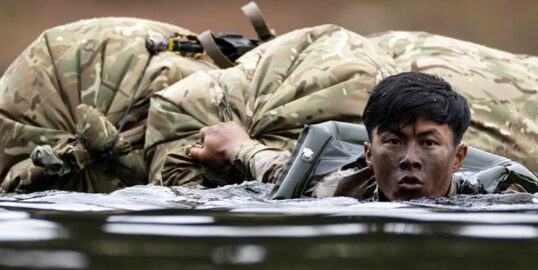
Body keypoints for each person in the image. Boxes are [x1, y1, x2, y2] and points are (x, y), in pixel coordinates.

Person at [187, 71, 484, 201]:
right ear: (368, 153)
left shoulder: (500, 196)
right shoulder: (339, 190)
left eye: (428, 143)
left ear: (458, 158)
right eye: (393, 141)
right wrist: (239, 147)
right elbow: (286, 172)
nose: (410, 159)